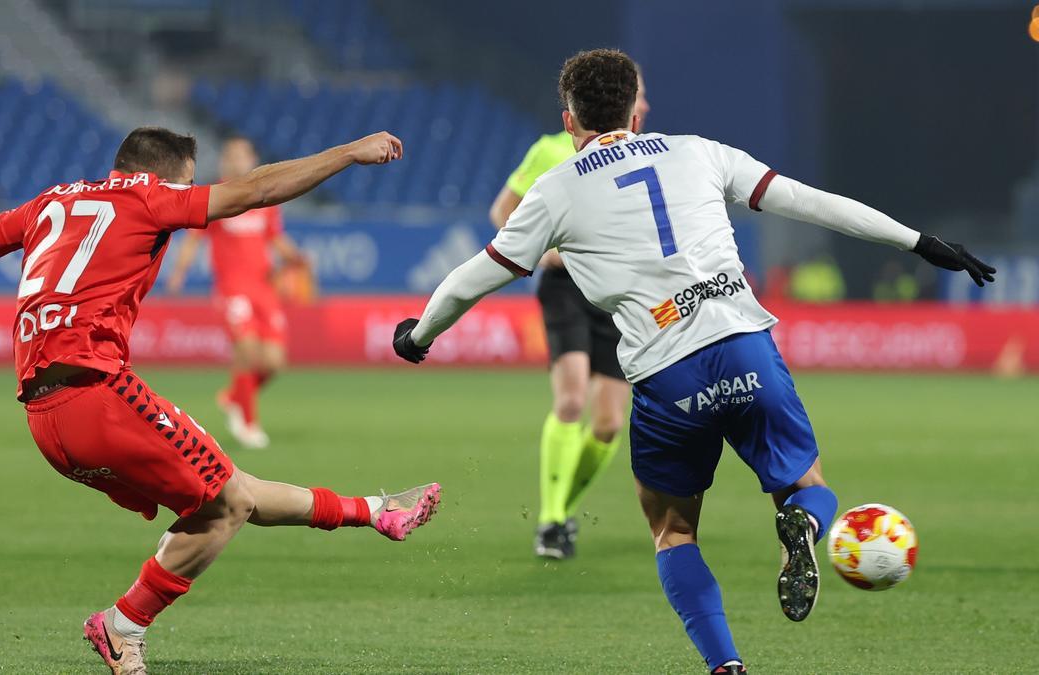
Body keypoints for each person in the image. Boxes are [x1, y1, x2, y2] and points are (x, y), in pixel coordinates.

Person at [391, 49, 994, 674]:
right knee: (809, 488)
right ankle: (804, 529)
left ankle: (725, 665)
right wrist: (919, 241)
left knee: (673, 532)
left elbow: (473, 276)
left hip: (665, 374)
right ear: (635, 108)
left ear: (569, 120)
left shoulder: (555, 190)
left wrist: (418, 335)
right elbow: (813, 202)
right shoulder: (698, 152)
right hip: (744, 346)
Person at [0, 126, 440, 675]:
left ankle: (375, 511)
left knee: (229, 491)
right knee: (228, 503)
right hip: (96, 392)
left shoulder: (50, 202)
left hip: (45, 418)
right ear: (166, 174)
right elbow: (253, 191)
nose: (188, 194)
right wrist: (347, 152)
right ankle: (122, 625)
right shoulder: (147, 196)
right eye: (187, 183)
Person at [487, 68, 650, 560]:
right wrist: (544, 251)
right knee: (573, 400)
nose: (642, 103)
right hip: (565, 288)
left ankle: (560, 513)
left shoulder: (647, 154)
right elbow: (504, 212)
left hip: (618, 293)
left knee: (606, 425)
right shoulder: (550, 150)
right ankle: (551, 521)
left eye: (643, 95)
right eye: (638, 94)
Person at [166, 135, 308, 448]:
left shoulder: (265, 201)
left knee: (273, 362)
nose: (234, 161)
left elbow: (275, 238)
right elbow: (192, 240)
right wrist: (179, 273)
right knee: (246, 352)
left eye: (241, 156)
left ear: (253, 160)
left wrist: (296, 260)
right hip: (233, 288)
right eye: (229, 156)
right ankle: (248, 422)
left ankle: (233, 397)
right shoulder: (216, 197)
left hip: (264, 287)